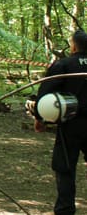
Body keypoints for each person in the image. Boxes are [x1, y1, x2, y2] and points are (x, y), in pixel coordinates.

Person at [32, 29, 87, 215]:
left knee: (65, 168)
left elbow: (45, 92)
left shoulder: (63, 65)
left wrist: (40, 119)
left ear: (73, 46)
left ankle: (65, 211)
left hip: (71, 125)